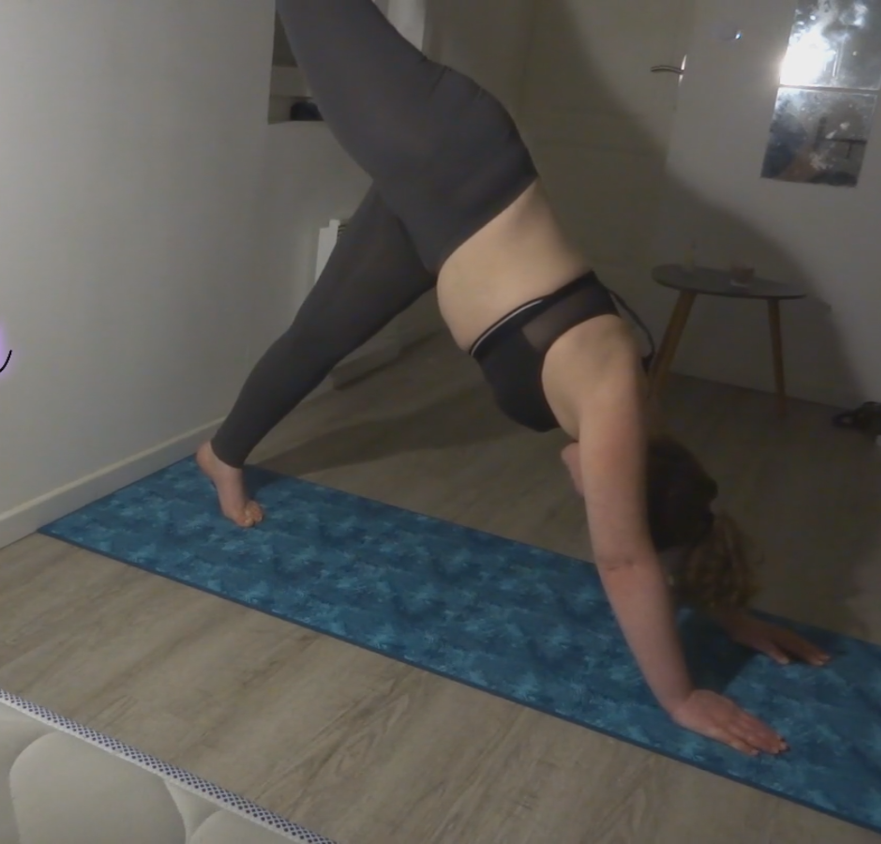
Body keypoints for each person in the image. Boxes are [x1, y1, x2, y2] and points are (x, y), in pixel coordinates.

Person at [196, 0, 829, 757]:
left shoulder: (645, 434)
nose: (582, 491)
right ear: (625, 479)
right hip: (446, 149)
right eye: (601, 497)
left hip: (436, 217)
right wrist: (681, 695)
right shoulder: (612, 401)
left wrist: (729, 611)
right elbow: (626, 558)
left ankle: (223, 454)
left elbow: (682, 524)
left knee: (318, 338)